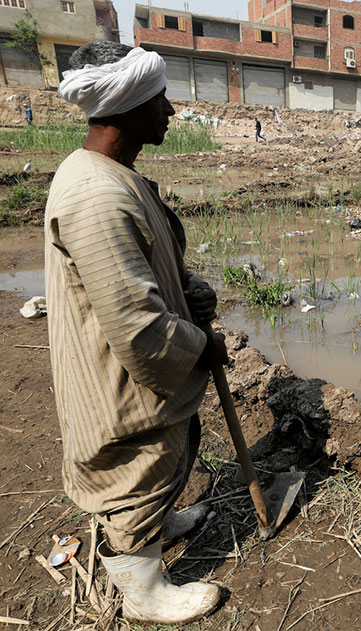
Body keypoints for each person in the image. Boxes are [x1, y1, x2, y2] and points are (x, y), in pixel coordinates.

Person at [47, 42, 226, 625]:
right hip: (118, 377)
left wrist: (188, 284)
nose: (170, 111)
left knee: (165, 456)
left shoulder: (114, 176)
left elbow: (143, 267)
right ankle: (143, 589)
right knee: (138, 463)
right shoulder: (97, 195)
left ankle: (157, 526)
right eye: (159, 100)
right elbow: (139, 328)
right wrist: (204, 348)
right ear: (125, 108)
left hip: (125, 363)